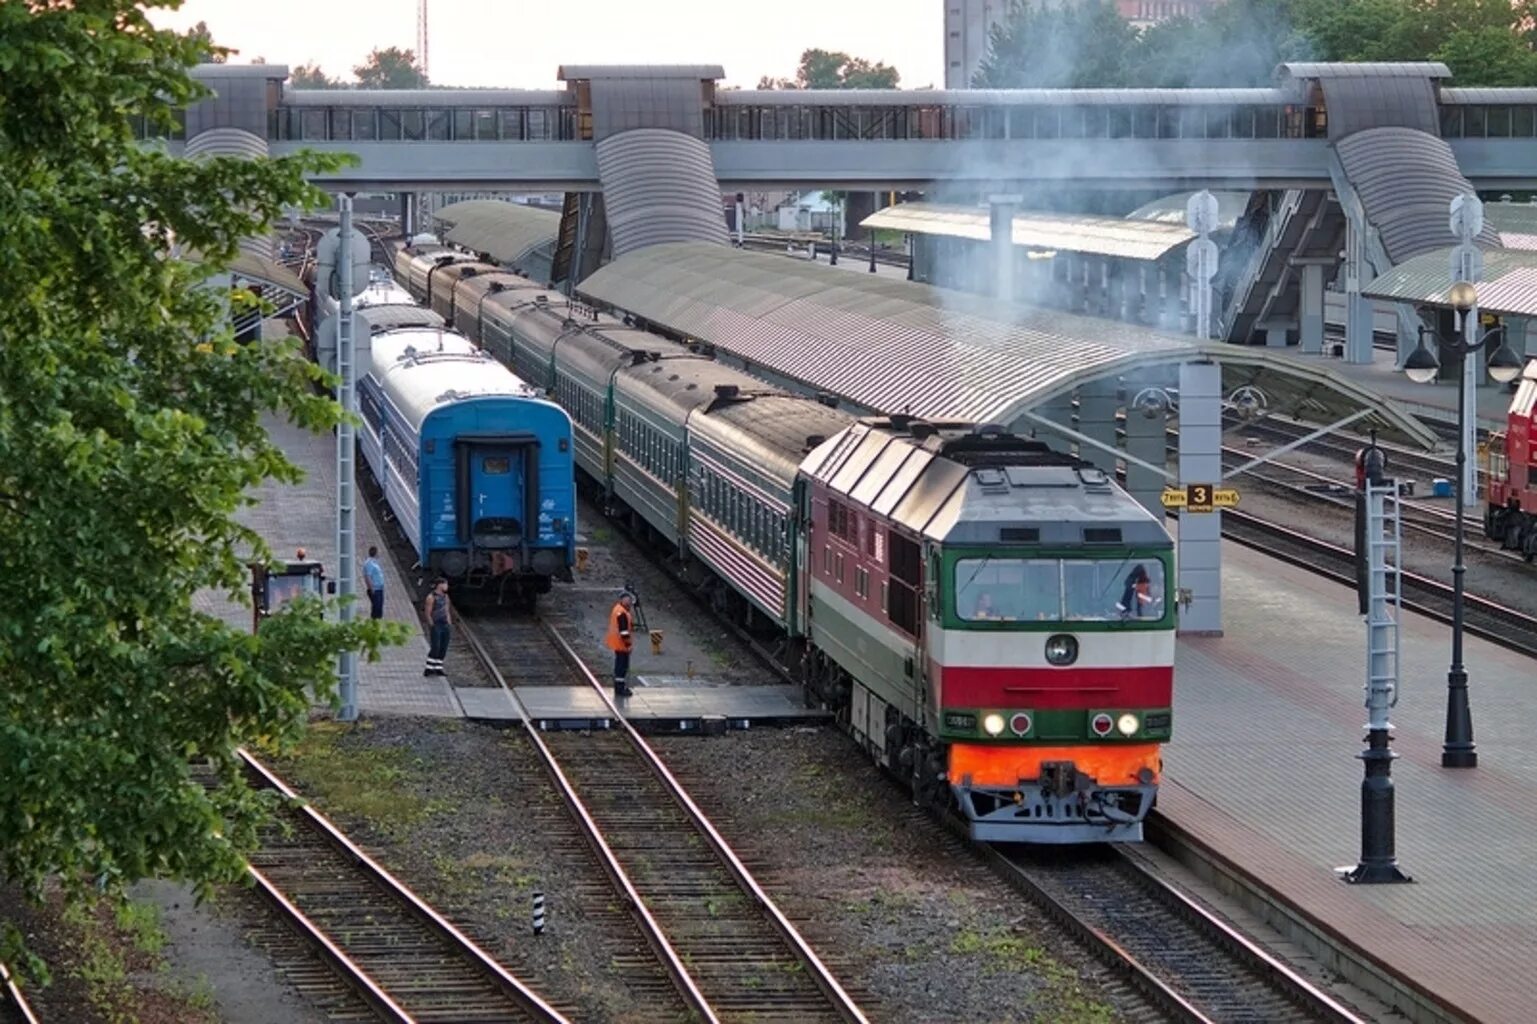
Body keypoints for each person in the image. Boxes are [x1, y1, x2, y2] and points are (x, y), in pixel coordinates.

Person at [606, 591, 636, 698]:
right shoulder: (622, 613)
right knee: (621, 667)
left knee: (620, 665)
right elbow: (624, 632)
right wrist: (628, 645)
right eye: (627, 600)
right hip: (621, 645)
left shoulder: (618, 609)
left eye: (630, 600)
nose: (629, 602)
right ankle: (620, 689)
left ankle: (620, 687)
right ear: (622, 600)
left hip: (617, 643)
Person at [423, 577, 452, 677]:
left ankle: (438, 667)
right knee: (436, 646)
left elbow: (447, 610)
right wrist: (432, 625)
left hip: (445, 625)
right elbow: (427, 612)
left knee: (443, 647)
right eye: (445, 584)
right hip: (437, 625)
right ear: (440, 585)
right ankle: (429, 668)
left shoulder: (446, 597)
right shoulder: (431, 597)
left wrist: (449, 623)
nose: (447, 586)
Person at [363, 545, 385, 620]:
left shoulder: (375, 562)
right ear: (375, 553)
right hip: (375, 589)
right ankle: (375, 622)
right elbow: (367, 576)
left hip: (379, 588)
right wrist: (371, 588)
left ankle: (378, 621)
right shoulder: (369, 563)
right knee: (376, 608)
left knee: (379, 608)